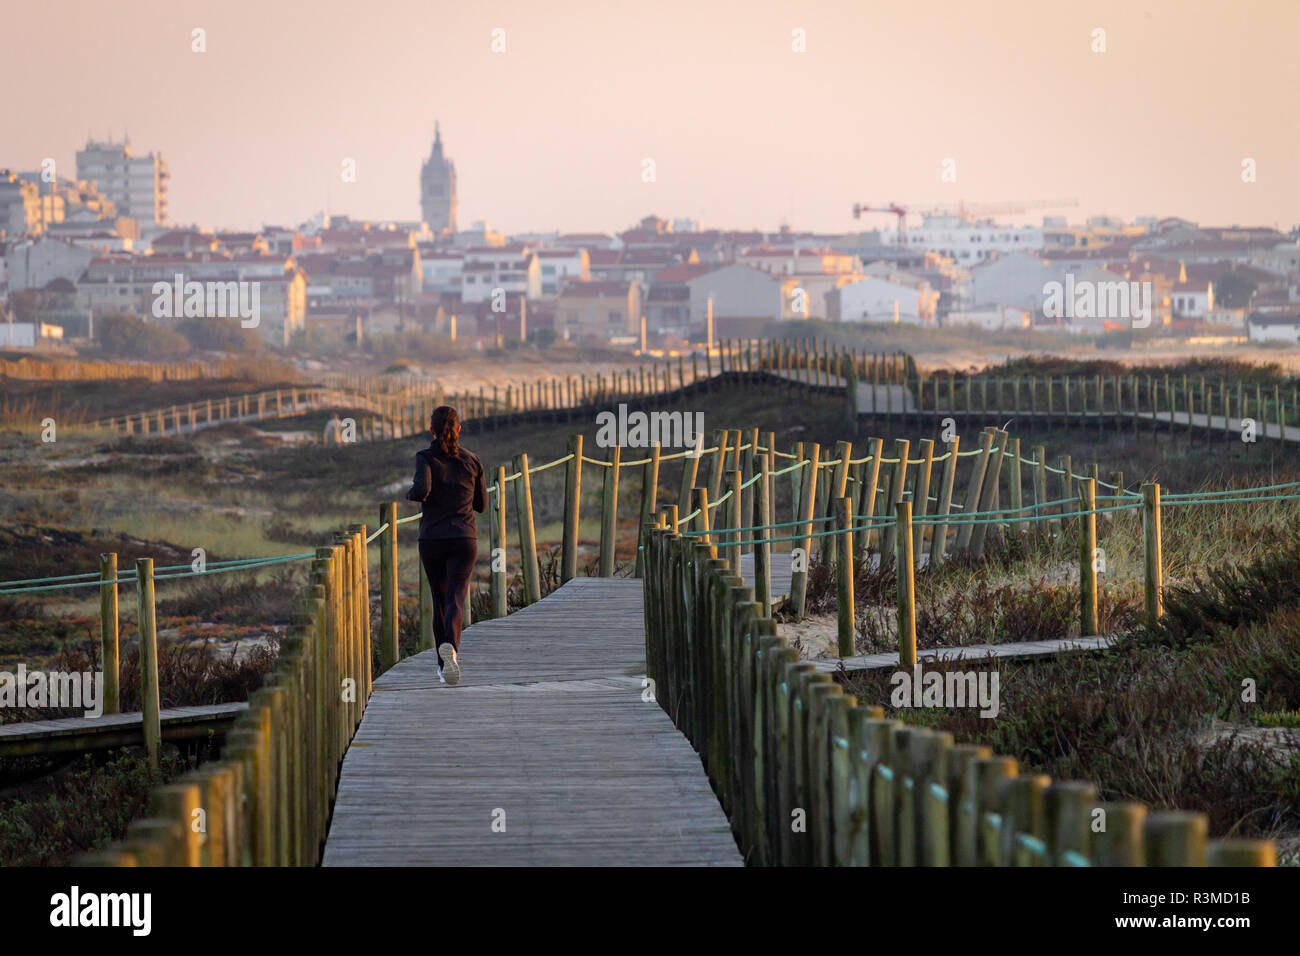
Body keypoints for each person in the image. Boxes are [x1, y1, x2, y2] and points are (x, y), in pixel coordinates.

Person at [406, 405, 486, 685]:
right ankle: (451, 648)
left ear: (431, 430)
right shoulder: (473, 460)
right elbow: (482, 505)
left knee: (439, 600)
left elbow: (421, 491)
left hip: (433, 539)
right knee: (455, 599)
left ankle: (442, 668)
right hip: (465, 539)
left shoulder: (425, 457)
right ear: (459, 429)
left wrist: (410, 492)